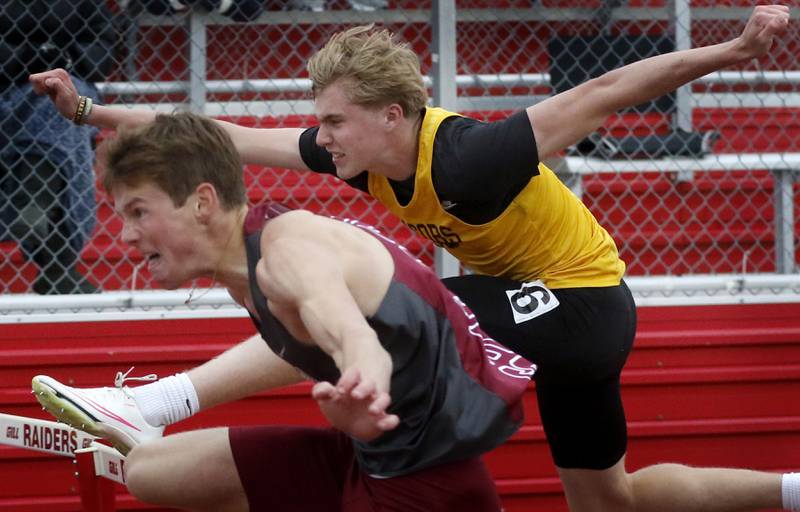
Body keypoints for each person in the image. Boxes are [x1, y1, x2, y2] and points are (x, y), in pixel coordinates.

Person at [30, 5, 800, 511]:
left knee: (381, 306)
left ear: (392, 115)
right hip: (549, 315)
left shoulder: (470, 155)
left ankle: (156, 401)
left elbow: (604, 90)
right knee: (609, 500)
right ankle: (791, 492)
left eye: (335, 120)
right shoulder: (356, 156)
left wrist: (734, 46)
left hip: (579, 302)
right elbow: (218, 136)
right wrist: (97, 112)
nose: (320, 136)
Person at [32, 111, 535, 511]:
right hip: (366, 455)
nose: (125, 235)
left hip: (425, 483)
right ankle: (148, 408)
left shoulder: (286, 253)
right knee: (150, 471)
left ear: (202, 202)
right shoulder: (250, 269)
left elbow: (352, 336)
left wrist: (365, 382)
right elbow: (316, 332)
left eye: (139, 212)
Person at [0, 0, 116, 294]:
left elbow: (102, 43)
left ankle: (38, 214)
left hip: (66, 83)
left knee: (62, 107)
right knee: (59, 114)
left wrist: (62, 62)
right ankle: (57, 264)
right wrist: (33, 59)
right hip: (8, 86)